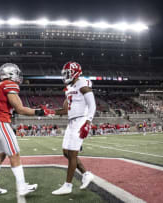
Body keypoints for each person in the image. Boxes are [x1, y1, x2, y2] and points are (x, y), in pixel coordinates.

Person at [0, 63, 52, 196]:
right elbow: (20, 109)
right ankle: (22, 187)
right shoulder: (9, 85)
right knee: (14, 155)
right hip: (1, 123)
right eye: (17, 73)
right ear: (10, 74)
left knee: (0, 155)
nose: (19, 76)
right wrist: (40, 112)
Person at [48, 61, 96, 195]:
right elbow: (65, 110)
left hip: (81, 120)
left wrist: (88, 122)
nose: (65, 76)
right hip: (72, 122)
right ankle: (86, 174)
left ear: (75, 72)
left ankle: (68, 185)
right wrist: (51, 111)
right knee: (66, 152)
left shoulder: (82, 83)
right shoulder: (69, 88)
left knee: (73, 154)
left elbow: (92, 105)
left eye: (67, 73)